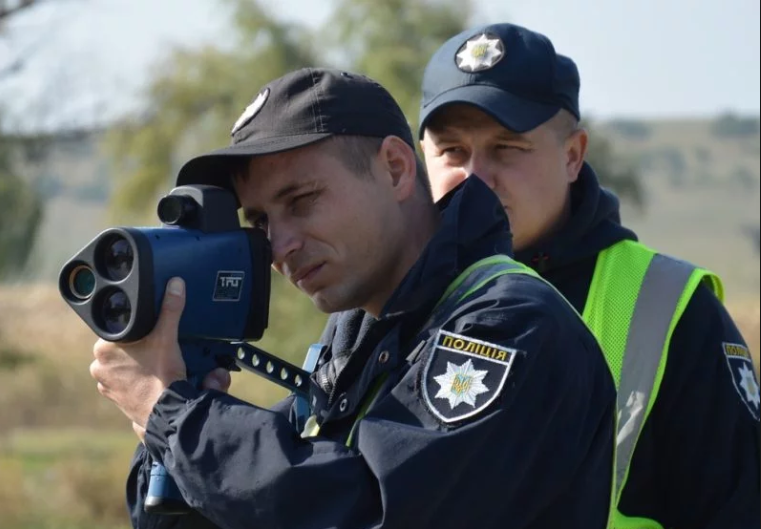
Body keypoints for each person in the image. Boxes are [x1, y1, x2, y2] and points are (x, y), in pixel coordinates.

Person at [89, 67, 617, 529]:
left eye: (302, 201)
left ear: (395, 168)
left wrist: (174, 414)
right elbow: (259, 502)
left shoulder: (509, 324)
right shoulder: (358, 337)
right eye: (262, 221)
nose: (279, 246)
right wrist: (175, 410)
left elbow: (375, 509)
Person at [416, 22, 761, 528]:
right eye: (452, 152)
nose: (475, 179)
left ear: (573, 156)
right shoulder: (389, 297)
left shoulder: (669, 307)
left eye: (506, 149)